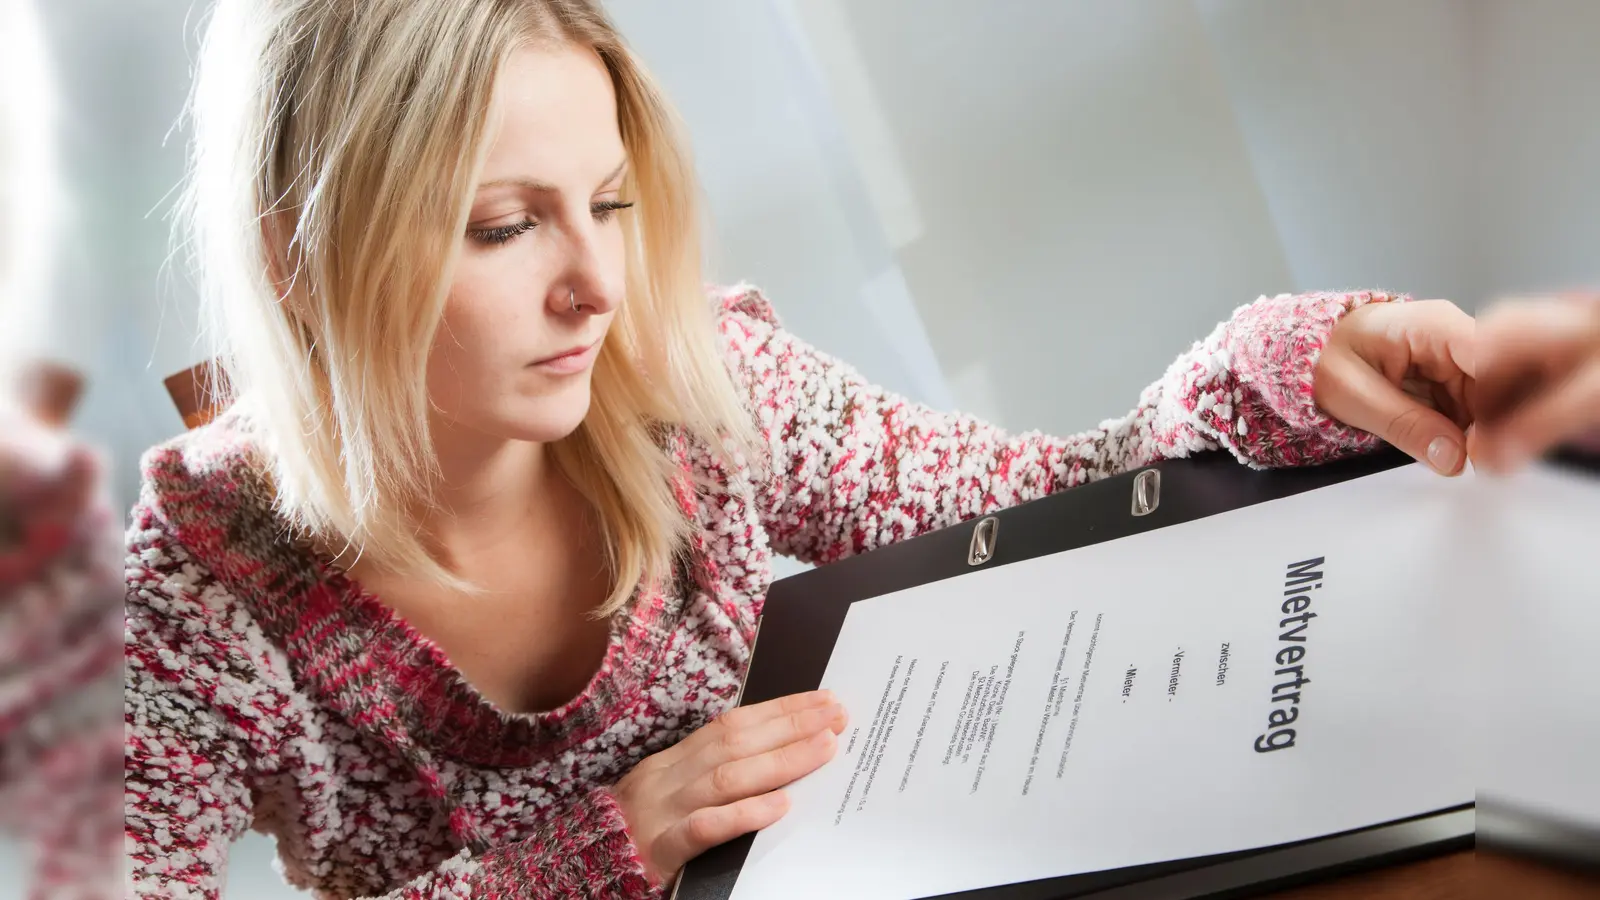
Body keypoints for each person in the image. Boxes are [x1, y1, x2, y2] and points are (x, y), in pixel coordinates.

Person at [121, 1, 1499, 897]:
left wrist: (1292, 357)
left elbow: (1049, 496)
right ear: (297, 263)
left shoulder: (692, 382)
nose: (597, 285)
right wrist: (608, 846)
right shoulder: (190, 610)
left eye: (606, 203)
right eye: (504, 226)